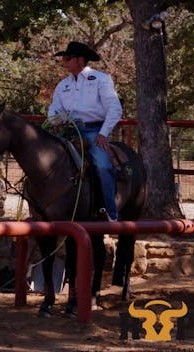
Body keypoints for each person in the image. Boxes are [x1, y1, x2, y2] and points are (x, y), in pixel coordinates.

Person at [47, 41, 123, 221]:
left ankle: (111, 213)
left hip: (94, 130)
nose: (64, 62)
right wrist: (55, 120)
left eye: (67, 58)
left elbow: (115, 109)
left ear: (80, 60)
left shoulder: (101, 80)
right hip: (68, 131)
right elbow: (54, 109)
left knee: (103, 166)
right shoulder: (62, 85)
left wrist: (103, 134)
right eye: (64, 59)